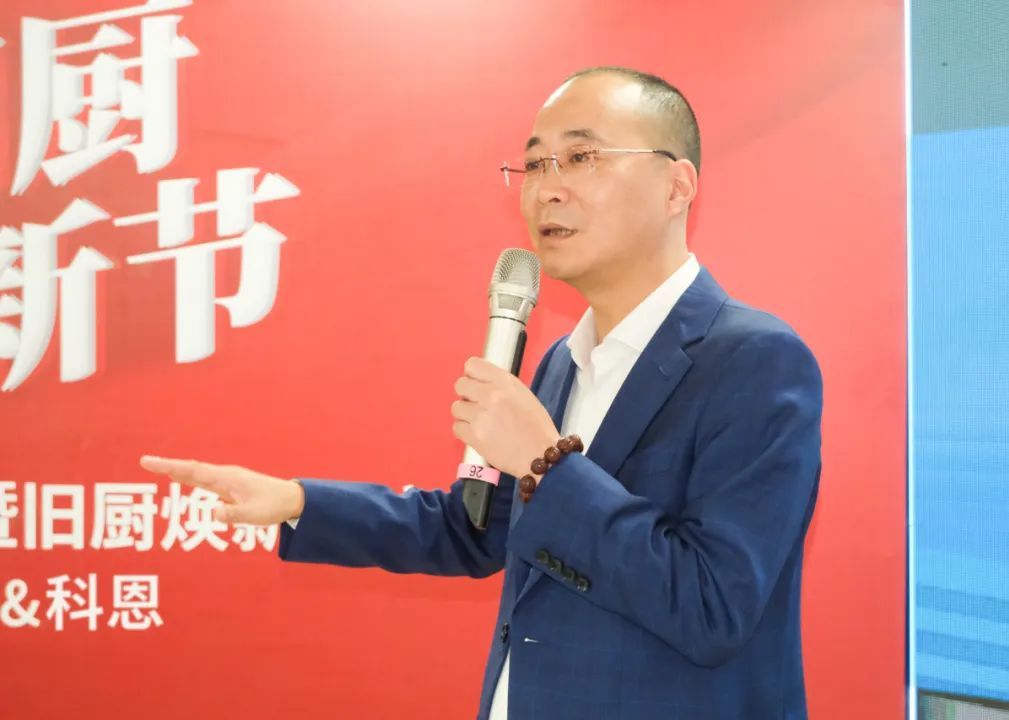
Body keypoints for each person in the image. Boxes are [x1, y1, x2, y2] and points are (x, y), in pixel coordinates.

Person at [140, 66, 823, 720]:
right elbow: (478, 530)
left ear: (677, 186)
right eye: (534, 165)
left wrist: (546, 467)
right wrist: (297, 501)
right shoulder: (562, 363)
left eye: (581, 158)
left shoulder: (755, 361)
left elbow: (713, 605)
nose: (546, 190)